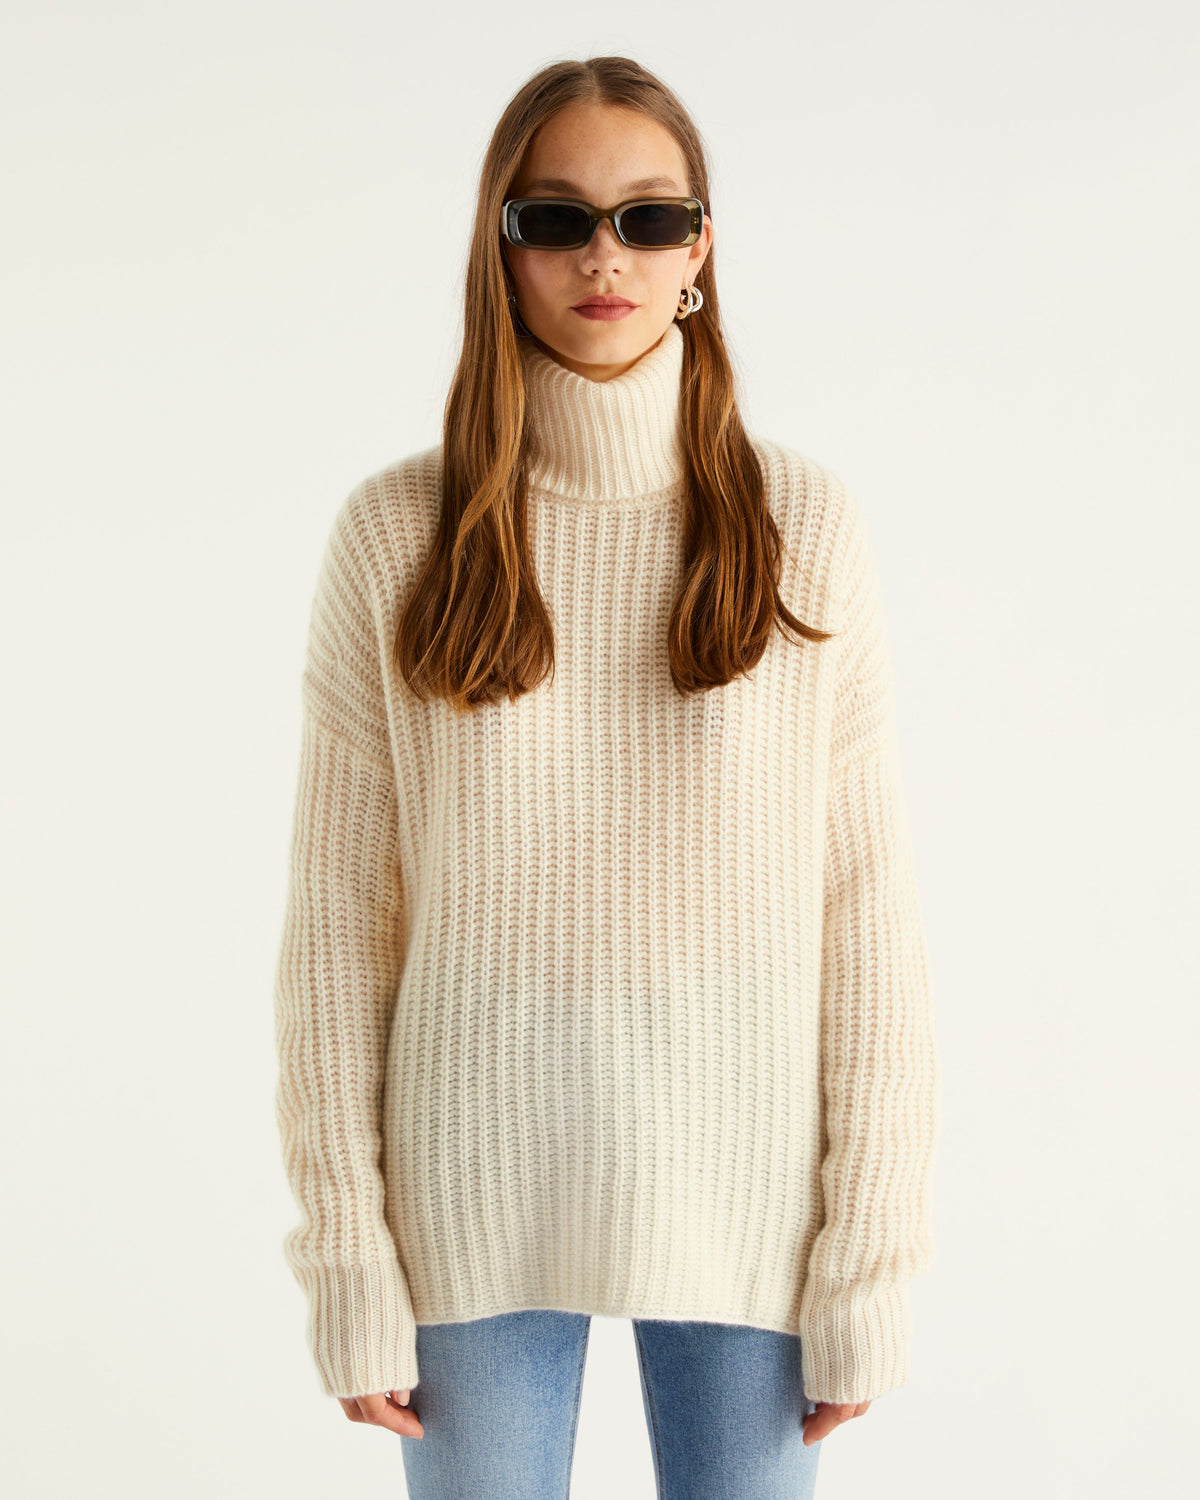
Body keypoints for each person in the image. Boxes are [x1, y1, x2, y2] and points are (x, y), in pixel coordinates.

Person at [273, 54, 939, 1500]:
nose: (603, 256)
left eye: (649, 218)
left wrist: (871, 1261)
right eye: (556, 218)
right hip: (467, 1194)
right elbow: (335, 940)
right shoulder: (397, 536)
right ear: (499, 246)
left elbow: (867, 926)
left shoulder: (802, 525)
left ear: (700, 251)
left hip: (753, 1197)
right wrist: (347, 1259)